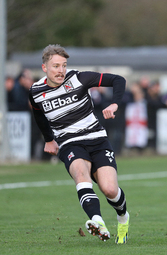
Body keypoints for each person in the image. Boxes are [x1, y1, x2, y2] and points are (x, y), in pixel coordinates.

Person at [29, 44, 129, 244]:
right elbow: (39, 115)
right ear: (44, 68)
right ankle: (97, 221)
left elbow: (118, 79)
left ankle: (123, 217)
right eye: (56, 66)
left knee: (109, 189)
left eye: (64, 65)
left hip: (97, 139)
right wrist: (49, 139)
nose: (61, 70)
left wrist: (115, 103)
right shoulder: (36, 91)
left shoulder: (79, 78)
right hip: (69, 143)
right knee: (81, 174)